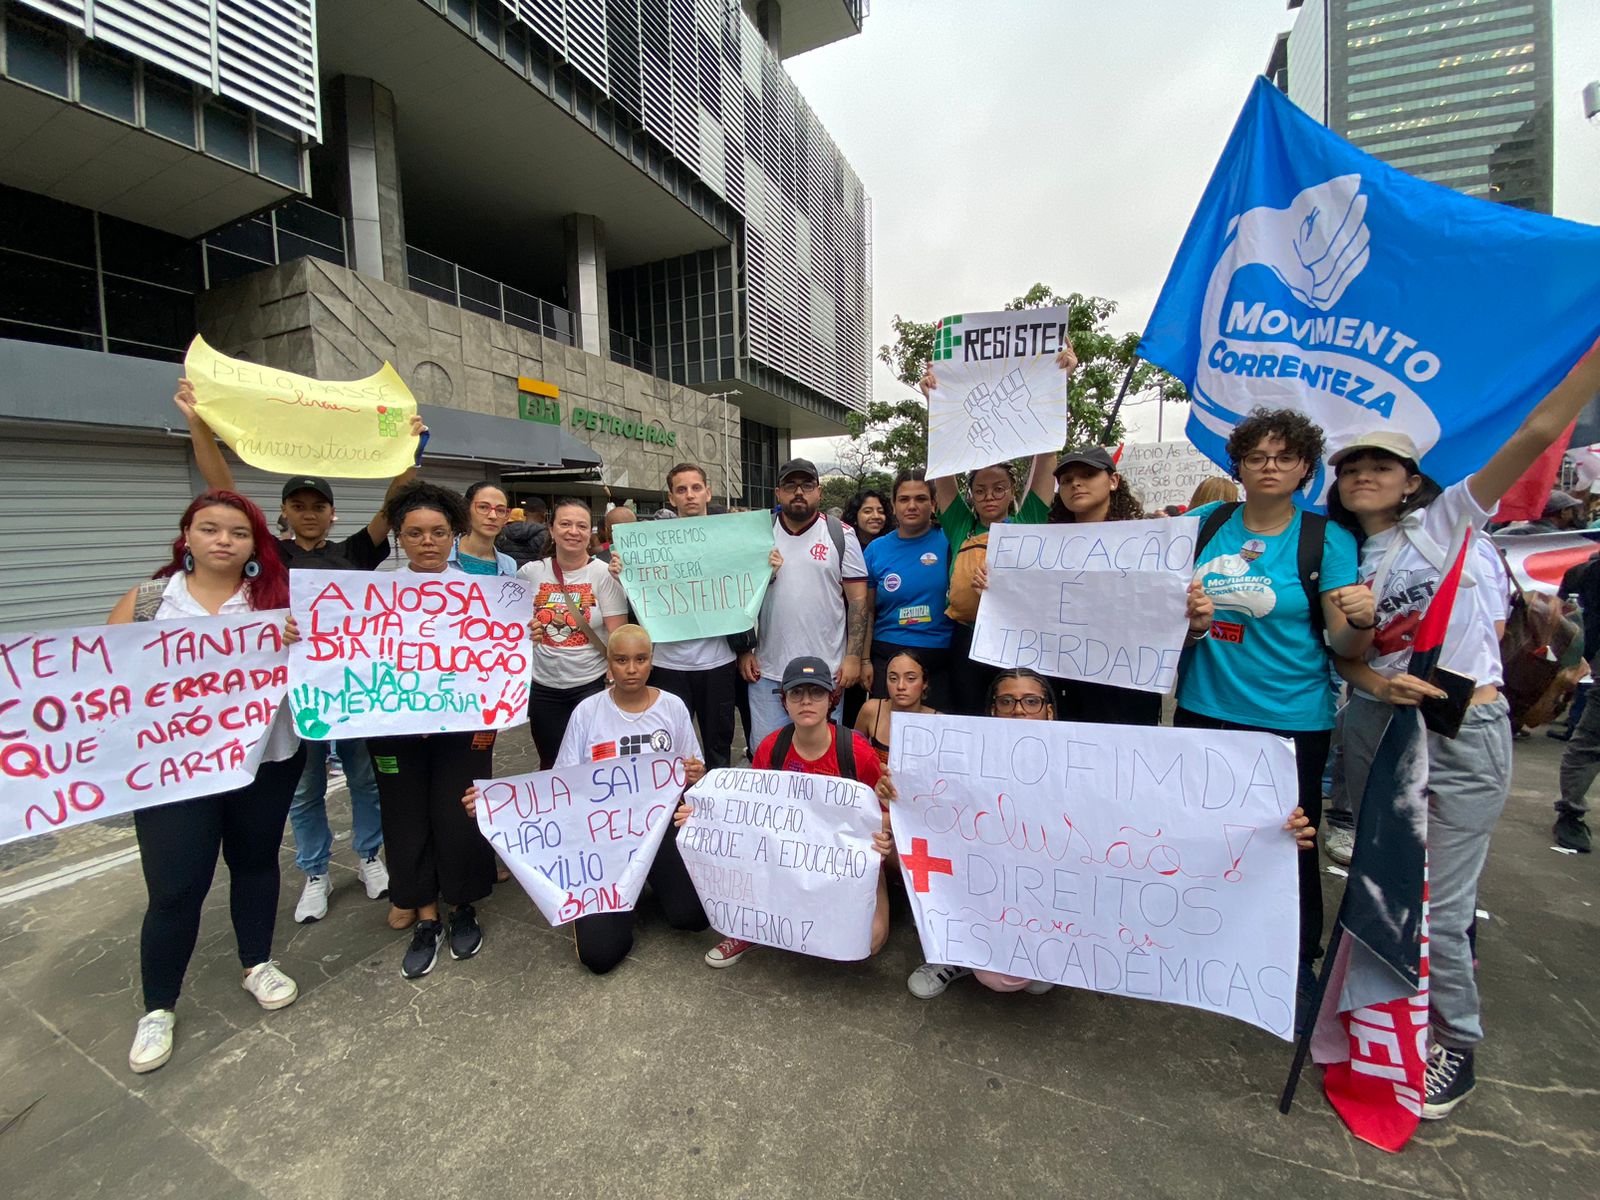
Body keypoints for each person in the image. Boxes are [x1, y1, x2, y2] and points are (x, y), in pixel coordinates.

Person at [1327, 335, 1600, 1120]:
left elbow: (1537, 433)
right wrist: (1368, 654)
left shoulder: (1451, 517)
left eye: (1379, 465)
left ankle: (1456, 1042)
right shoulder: (1345, 556)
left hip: (1464, 732)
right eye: (1350, 468)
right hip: (1383, 732)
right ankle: (1377, 1014)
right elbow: (1344, 660)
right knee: (1384, 890)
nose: (1363, 476)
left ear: (1412, 479)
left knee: (1444, 907)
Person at [907, 668, 1316, 999]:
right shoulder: (960, 759)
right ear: (992, 711)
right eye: (1007, 701)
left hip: (1052, 898)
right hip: (984, 893)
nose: (1019, 711)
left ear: (1050, 711)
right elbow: (931, 812)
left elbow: (1176, 816)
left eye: (1031, 701)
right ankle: (954, 950)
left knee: (1025, 977)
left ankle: (1048, 949)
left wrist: (1268, 834)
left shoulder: (1091, 762)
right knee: (996, 976)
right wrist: (901, 792)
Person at [175, 379, 415, 926]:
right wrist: (197, 424)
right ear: (282, 513)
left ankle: (370, 857)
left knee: (363, 777)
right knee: (305, 788)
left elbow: (394, 503)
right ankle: (315, 871)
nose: (309, 512)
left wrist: (408, 450)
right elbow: (223, 491)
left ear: (332, 513)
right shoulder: (268, 553)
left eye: (319, 505)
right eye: (298, 504)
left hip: (353, 691)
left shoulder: (355, 550)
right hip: (289, 691)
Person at [1174, 407, 1374, 1022]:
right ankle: (1204, 940)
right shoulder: (1204, 524)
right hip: (1204, 709)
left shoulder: (1326, 540)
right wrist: (1187, 620)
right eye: (1257, 456)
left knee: (1290, 841)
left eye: (1284, 457)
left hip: (1293, 717)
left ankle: (1296, 958)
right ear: (1237, 464)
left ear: (1306, 469)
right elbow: (1148, 603)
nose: (1269, 467)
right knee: (1206, 834)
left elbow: (1345, 645)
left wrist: (1362, 623)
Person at [111, 489, 304, 1073]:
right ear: (186, 536)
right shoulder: (149, 602)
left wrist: (300, 643)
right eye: (210, 528)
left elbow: (325, 664)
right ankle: (159, 1007)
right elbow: (104, 681)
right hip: (173, 773)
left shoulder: (277, 601)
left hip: (264, 759)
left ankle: (257, 962)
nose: (224, 540)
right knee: (175, 888)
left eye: (238, 532)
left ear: (255, 544)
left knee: (255, 862)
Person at [463, 625, 711, 972]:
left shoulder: (672, 707)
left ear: (652, 662)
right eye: (621, 659)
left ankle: (648, 882)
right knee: (600, 955)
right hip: (602, 841)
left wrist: (695, 774)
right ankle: (623, 895)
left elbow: (691, 768)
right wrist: (496, 804)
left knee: (693, 917)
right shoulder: (587, 712)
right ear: (608, 663)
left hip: (657, 833)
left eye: (640, 659)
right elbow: (560, 785)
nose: (631, 668)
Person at [366, 481, 499, 977]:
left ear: (453, 534)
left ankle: (463, 905)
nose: (428, 541)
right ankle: (425, 915)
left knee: (461, 810)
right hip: (393, 730)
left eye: (439, 532)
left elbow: (495, 655)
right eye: (416, 532)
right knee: (405, 818)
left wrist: (517, 636)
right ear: (399, 536)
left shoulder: (481, 592)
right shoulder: (374, 591)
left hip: (462, 728)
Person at [693, 656, 895, 968]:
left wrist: (882, 837)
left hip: (844, 861)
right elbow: (747, 812)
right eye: (796, 694)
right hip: (784, 859)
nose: (806, 702)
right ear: (784, 701)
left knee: (870, 938)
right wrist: (699, 817)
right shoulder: (772, 748)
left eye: (816, 693)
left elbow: (885, 815)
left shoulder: (855, 752)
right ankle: (750, 929)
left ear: (831, 700)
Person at [925, 346, 1077, 714]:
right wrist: (936, 401)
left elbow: (1045, 459)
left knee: (1016, 714)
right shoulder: (960, 524)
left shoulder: (1028, 521)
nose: (989, 496)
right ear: (970, 496)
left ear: (1012, 492)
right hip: (966, 637)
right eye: (979, 490)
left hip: (1019, 635)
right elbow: (943, 467)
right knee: (970, 714)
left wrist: (1059, 386)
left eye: (998, 489)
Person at [608, 463, 769, 769]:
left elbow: (749, 588)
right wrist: (622, 575)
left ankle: (715, 807)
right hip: (667, 664)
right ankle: (674, 810)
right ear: (671, 498)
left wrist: (767, 565)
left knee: (719, 744)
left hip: (718, 662)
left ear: (708, 492)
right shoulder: (650, 544)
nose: (690, 495)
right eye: (681, 490)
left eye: (696, 488)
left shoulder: (733, 540)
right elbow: (641, 592)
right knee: (667, 745)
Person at [1045, 446, 1213, 725]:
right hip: (1060, 687)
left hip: (1125, 693)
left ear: (1113, 481)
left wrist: (1195, 626)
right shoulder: (1041, 551)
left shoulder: (1153, 547)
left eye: (1088, 474)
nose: (1076, 483)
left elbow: (1169, 635)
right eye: (1066, 480)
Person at [740, 459, 868, 747]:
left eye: (807, 485)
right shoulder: (758, 533)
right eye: (790, 485)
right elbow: (739, 595)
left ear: (819, 492)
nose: (799, 492)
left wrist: (853, 656)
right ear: (778, 493)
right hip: (768, 671)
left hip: (827, 671)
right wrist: (744, 649)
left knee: (821, 755)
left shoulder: (841, 535)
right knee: (767, 755)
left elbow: (859, 602)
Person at [520, 497, 628, 768]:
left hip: (590, 684)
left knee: (593, 759)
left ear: (590, 532)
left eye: (581, 526)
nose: (573, 531)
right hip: (543, 687)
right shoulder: (529, 574)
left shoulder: (603, 574)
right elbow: (513, 630)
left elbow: (618, 632)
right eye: (565, 524)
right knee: (552, 761)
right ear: (552, 529)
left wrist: (612, 677)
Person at [862, 470, 954, 709]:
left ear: (933, 504)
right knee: (887, 737)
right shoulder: (875, 550)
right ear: (893, 505)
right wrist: (864, 660)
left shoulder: (951, 542)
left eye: (921, 498)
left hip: (939, 658)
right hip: (888, 655)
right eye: (904, 499)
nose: (912, 505)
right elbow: (867, 611)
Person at [854, 647, 938, 768]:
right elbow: (853, 755)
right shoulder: (871, 710)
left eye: (910, 679)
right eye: (893, 679)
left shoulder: (939, 721)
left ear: (924, 683)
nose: (901, 686)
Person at [448, 482, 519, 576]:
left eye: (500, 510)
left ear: (506, 517)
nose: (493, 516)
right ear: (466, 510)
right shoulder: (442, 555)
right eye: (483, 507)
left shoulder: (509, 565)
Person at [497, 496, 549, 566]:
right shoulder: (546, 535)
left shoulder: (504, 532)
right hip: (534, 575)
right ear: (544, 514)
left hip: (509, 574)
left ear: (524, 512)